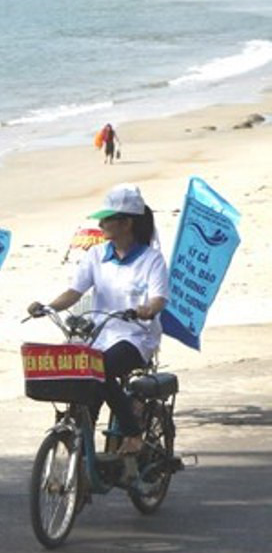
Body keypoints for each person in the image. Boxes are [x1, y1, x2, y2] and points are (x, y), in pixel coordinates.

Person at [28, 184, 168, 455]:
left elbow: (158, 298)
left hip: (137, 337)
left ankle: (133, 433)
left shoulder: (152, 260)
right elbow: (74, 292)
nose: (101, 224)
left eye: (107, 219)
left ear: (126, 223)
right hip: (101, 336)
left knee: (98, 370)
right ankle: (81, 449)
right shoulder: (96, 255)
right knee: (81, 381)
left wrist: (147, 309)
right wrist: (47, 306)